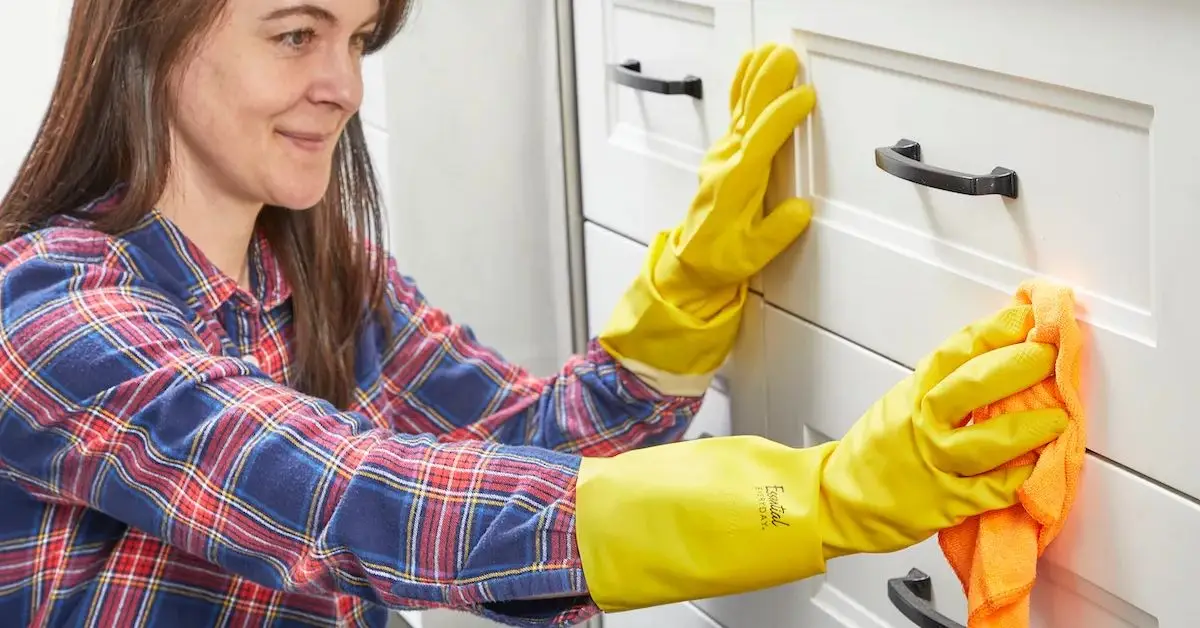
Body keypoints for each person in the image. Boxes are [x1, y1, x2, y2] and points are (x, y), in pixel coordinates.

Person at [0, 0, 1068, 626]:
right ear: (148, 31)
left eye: (358, 37)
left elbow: (522, 452)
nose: (344, 86)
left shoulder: (320, 275)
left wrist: (677, 313)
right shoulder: (48, 313)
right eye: (295, 34)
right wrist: (817, 498)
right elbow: (349, 497)